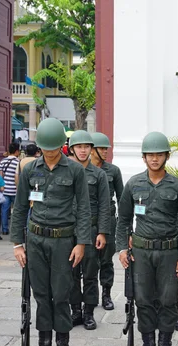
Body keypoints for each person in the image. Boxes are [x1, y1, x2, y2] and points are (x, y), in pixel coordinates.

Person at [11, 118, 91, 346]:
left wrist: (81, 243)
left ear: (61, 146)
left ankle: (63, 345)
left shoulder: (75, 170)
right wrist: (17, 243)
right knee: (41, 294)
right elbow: (20, 207)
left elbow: (84, 210)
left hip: (62, 241)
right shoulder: (30, 170)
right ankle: (44, 344)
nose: (48, 152)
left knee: (61, 293)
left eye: (53, 147)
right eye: (44, 148)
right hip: (35, 240)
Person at [116, 131, 178, 346]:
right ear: (144, 158)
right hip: (142, 252)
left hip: (169, 252)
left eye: (159, 154)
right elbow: (124, 218)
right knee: (144, 299)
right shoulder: (134, 184)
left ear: (167, 157)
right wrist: (121, 248)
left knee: (168, 299)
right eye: (150, 155)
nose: (155, 159)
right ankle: (148, 345)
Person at [68, 130, 110, 330]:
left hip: (92, 230)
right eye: (79, 147)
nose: (83, 150)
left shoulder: (99, 174)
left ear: (91, 149)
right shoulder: (66, 170)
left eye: (86, 147)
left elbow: (104, 205)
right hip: (69, 230)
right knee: (71, 272)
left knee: (91, 272)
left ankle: (89, 312)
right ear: (72, 149)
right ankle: (75, 310)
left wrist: (102, 232)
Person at [90, 132, 124, 311]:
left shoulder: (113, 170)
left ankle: (106, 294)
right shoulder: (81, 169)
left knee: (106, 260)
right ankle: (90, 295)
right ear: (92, 149)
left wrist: (123, 226)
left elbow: (122, 198)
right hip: (88, 221)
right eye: (102, 148)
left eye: (106, 148)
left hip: (109, 221)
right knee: (88, 261)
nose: (105, 152)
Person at [0, 143, 20, 235]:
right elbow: (18, 177)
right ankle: (16, 230)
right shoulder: (18, 162)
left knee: (4, 211)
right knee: (17, 211)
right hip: (15, 191)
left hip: (5, 190)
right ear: (16, 151)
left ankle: (4, 230)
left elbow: (1, 176)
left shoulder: (3, 161)